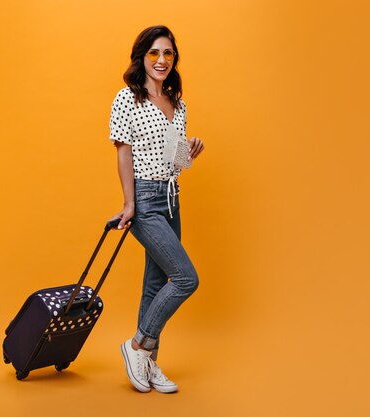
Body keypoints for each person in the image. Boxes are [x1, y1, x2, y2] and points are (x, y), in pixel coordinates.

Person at [107, 25, 205, 394]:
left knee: (155, 284)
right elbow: (123, 152)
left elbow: (174, 162)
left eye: (168, 53)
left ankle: (147, 363)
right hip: (146, 202)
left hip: (171, 197)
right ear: (142, 57)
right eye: (154, 53)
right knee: (185, 279)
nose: (162, 60)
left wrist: (189, 152)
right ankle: (137, 346)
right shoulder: (127, 99)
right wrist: (130, 203)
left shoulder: (177, 103)